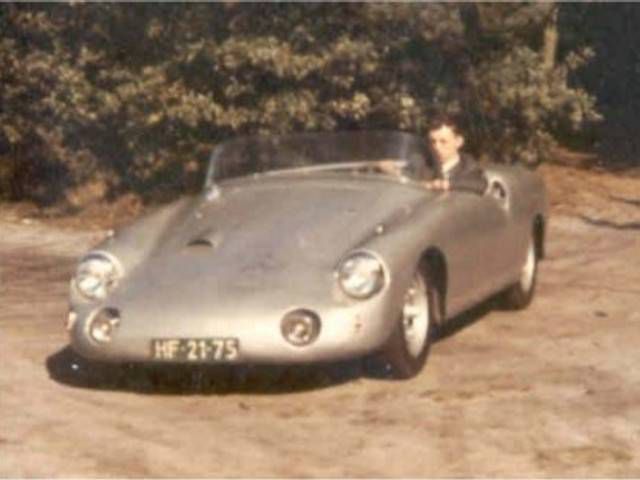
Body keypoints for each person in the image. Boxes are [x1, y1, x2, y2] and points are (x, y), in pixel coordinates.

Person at [379, 115, 488, 195]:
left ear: (458, 142)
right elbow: (406, 175)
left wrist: (445, 184)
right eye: (432, 141)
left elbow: (480, 184)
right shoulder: (421, 163)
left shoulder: (468, 167)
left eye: (443, 142)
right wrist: (390, 170)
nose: (437, 147)